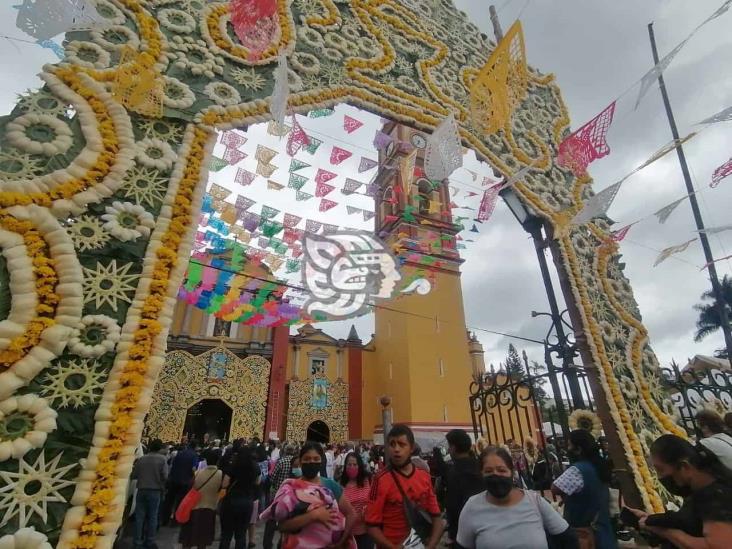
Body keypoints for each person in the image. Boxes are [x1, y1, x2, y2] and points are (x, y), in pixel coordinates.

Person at [456, 446, 573, 549]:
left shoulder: (534, 501)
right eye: (488, 471)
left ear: (511, 472)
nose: (495, 475)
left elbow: (567, 538)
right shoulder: (472, 507)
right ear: (481, 474)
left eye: (501, 470)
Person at [627, 434, 732, 548]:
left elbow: (717, 546)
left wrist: (666, 532)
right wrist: (651, 520)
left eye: (661, 470)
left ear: (684, 467)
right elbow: (692, 525)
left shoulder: (715, 497)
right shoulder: (702, 492)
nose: (660, 477)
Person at [261, 441, 356, 548]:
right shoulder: (290, 488)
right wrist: (313, 516)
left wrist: (341, 542)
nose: (311, 462)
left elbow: (351, 513)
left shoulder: (331, 485)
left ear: (321, 462)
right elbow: (282, 526)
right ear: (300, 462)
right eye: (307, 459)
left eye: (316, 459)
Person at [365, 424, 444, 549]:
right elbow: (371, 525)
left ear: (411, 448)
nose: (396, 449)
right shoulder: (380, 480)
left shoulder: (424, 477)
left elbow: (436, 518)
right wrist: (391, 547)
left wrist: (431, 545)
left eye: (402, 444)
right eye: (392, 444)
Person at [552, 430, 617, 549]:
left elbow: (555, 488)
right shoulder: (599, 466)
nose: (568, 448)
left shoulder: (578, 469)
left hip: (584, 534)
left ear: (578, 449)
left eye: (570, 445)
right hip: (604, 531)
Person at [444, 429, 483, 547]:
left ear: (454, 448)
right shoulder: (480, 466)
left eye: (449, 446)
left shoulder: (454, 472)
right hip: (483, 523)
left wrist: (451, 532)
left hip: (462, 530)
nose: (449, 450)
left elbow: (453, 505)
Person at [179, 448, 223, 549]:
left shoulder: (198, 472)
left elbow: (191, 486)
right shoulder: (220, 474)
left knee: (189, 538)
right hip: (210, 508)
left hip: (194, 507)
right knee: (203, 539)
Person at [219, 446, 260, 549]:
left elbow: (224, 484)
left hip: (231, 501)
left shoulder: (233, 465)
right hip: (247, 501)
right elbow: (258, 482)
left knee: (226, 534)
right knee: (241, 534)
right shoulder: (255, 467)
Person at [131, 439, 168, 549]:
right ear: (160, 448)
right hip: (155, 491)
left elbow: (134, 475)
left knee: (139, 517)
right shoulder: (162, 459)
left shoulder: (141, 459)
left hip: (141, 490)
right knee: (152, 517)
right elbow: (165, 476)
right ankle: (150, 541)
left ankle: (137, 542)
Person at [263, 444, 295, 549]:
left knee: (271, 520)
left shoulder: (281, 461)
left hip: (278, 494)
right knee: (286, 521)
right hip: (291, 496)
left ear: (285, 451)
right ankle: (281, 544)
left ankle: (267, 544)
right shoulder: (296, 463)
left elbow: (272, 477)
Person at [340, 451, 374, 549]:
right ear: (345, 466)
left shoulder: (368, 480)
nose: (352, 467)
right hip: (349, 534)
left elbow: (375, 500)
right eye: (349, 465)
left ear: (359, 466)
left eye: (355, 464)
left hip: (367, 531)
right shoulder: (341, 485)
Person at [161, 440, 199, 525]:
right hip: (185, 481)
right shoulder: (194, 455)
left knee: (169, 500)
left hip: (174, 479)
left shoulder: (180, 453)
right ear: (195, 447)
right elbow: (194, 469)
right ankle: (176, 520)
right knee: (180, 501)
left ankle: (164, 519)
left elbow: (172, 464)